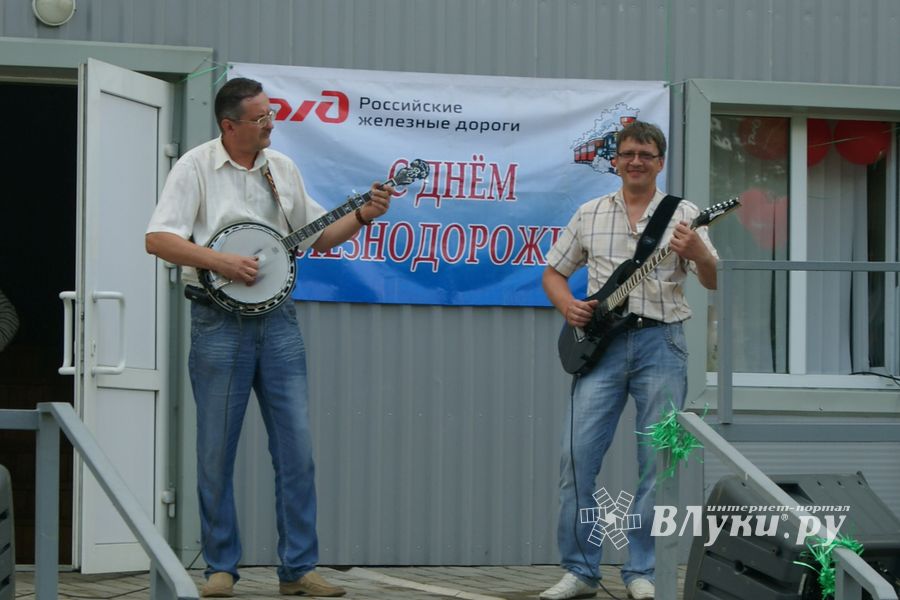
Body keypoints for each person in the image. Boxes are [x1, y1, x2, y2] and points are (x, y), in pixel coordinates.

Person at [145, 77, 393, 598]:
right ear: (228, 125)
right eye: (260, 118)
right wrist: (220, 261)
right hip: (217, 323)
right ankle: (220, 568)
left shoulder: (282, 170)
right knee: (216, 451)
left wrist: (364, 215)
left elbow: (318, 235)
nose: (270, 124)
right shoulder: (194, 167)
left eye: (271, 114)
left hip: (279, 324)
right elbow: (158, 238)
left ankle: (298, 569)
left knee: (296, 449)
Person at [539, 121, 718, 600]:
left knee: (657, 465)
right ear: (614, 161)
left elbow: (713, 278)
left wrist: (699, 252)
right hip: (600, 349)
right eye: (628, 153)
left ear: (660, 162)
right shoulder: (590, 213)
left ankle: (642, 572)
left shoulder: (685, 215)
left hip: (662, 345)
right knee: (575, 459)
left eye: (646, 153)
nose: (636, 160)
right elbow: (553, 274)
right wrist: (567, 306)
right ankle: (580, 572)